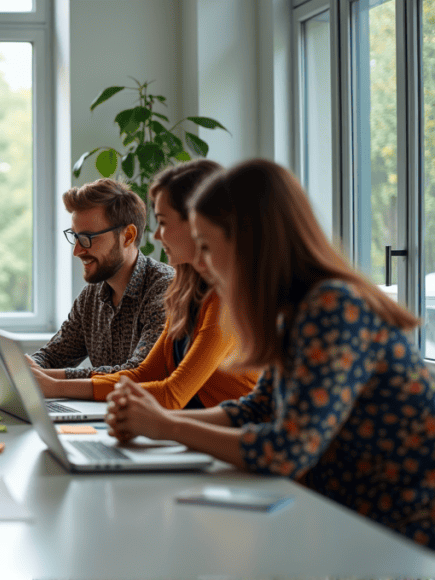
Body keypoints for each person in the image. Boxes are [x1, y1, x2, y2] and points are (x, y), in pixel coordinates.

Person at [105, 159, 435, 549]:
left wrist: (167, 427)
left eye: (208, 247)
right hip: (351, 522)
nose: (204, 263)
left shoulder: (331, 307)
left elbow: (286, 451)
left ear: (248, 242)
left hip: (401, 537)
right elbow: (255, 409)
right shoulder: (296, 311)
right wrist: (156, 421)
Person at [30, 161, 259, 408]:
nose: (156, 236)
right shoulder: (182, 292)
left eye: (162, 222)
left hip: (227, 436)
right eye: (75, 238)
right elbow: (143, 376)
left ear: (196, 224)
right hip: (198, 427)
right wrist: (35, 375)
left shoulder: (217, 297)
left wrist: (53, 385)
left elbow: (171, 393)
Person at [29, 179, 173, 380]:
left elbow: (139, 372)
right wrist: (28, 368)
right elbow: (53, 356)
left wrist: (51, 380)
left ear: (128, 236)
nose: (77, 251)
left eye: (87, 238)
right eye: (75, 237)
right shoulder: (92, 295)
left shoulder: (165, 288)